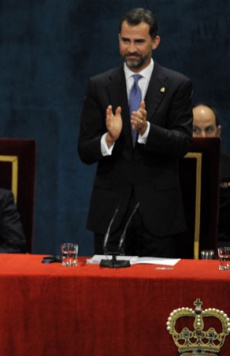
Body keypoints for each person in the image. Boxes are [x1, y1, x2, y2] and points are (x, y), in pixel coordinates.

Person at [78, 8, 193, 257]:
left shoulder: (176, 85)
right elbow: (84, 151)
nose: (131, 49)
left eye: (139, 41)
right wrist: (109, 138)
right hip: (111, 214)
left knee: (159, 293)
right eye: (125, 40)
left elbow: (183, 143)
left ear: (155, 41)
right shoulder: (99, 85)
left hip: (159, 216)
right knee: (109, 294)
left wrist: (146, 130)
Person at [192, 103, 230, 246]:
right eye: (195, 130)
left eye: (209, 130)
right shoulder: (173, 168)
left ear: (218, 132)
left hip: (224, 245)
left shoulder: (228, 168)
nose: (203, 137)